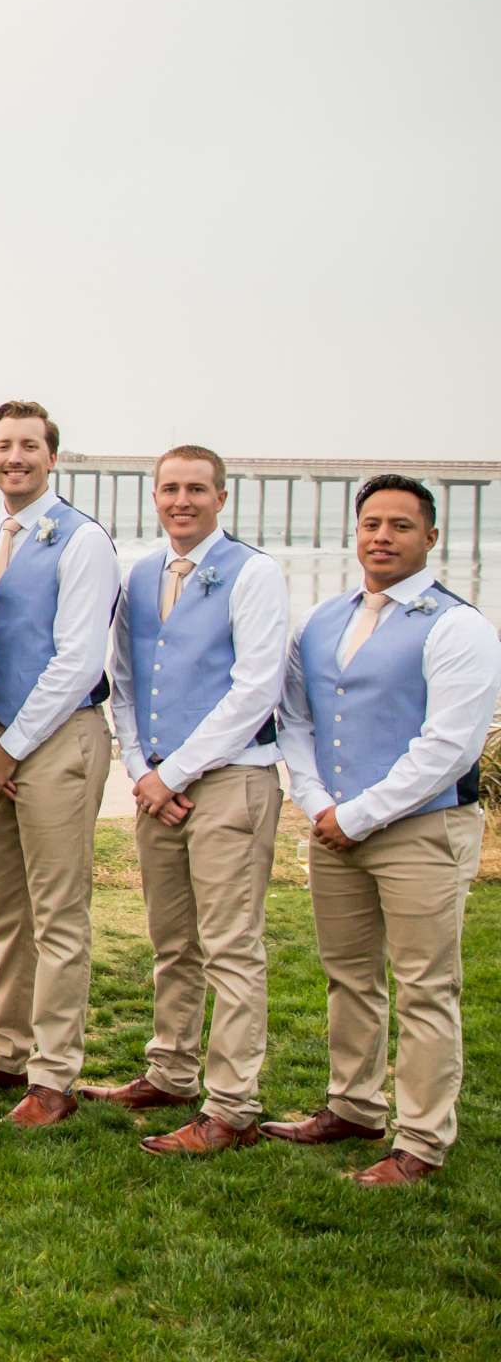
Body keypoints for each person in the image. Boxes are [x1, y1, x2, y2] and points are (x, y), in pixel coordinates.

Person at [264, 475, 501, 1186]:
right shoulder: (324, 620)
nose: (383, 536)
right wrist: (313, 802)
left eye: (401, 525)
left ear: (431, 538)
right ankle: (354, 1105)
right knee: (350, 977)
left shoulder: (458, 626)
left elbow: (448, 747)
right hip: (334, 830)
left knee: (426, 986)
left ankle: (422, 1139)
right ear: (355, 532)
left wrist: (358, 814)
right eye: (372, 523)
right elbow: (295, 719)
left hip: (421, 832)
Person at [80, 446, 288, 1158]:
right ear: (156, 495)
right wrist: (142, 768)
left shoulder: (253, 575)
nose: (182, 501)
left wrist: (180, 772)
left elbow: (256, 690)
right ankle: (170, 1070)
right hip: (156, 783)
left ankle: (232, 1105)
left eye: (196, 489)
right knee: (174, 941)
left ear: (221, 498)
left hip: (232, 779)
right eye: (170, 489)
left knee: (231, 945)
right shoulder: (141, 577)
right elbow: (126, 680)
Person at [0, 402, 116, 1128]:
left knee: (58, 911)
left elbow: (79, 657)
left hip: (53, 739)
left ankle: (55, 1075)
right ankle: (6, 1047)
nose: (14, 456)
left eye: (28, 445)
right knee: (8, 909)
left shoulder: (81, 540)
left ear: (52, 456)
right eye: (2, 445)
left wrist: (11, 746)